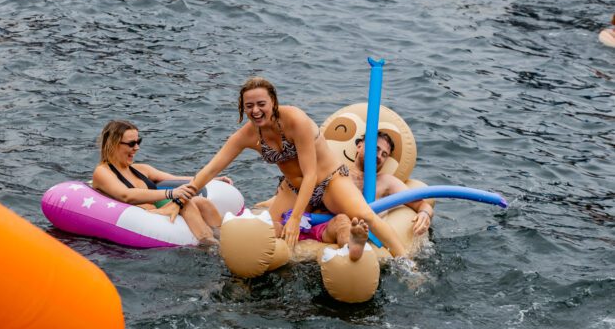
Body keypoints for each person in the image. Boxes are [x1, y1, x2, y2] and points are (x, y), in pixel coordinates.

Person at [171, 77, 408, 257]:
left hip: (329, 181)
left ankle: (407, 263)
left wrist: (295, 219)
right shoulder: (247, 135)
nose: (255, 110)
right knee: (265, 228)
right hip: (293, 188)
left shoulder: (296, 120)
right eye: (249, 105)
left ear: (273, 102)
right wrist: (182, 196)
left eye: (261, 104)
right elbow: (212, 169)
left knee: (366, 215)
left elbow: (311, 173)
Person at [269, 132, 433, 255]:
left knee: (343, 222)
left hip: (341, 227)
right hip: (311, 224)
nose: (379, 156)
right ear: (360, 146)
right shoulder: (336, 172)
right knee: (273, 227)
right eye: (375, 149)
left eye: (384, 155)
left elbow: (420, 202)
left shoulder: (385, 182)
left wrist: (425, 212)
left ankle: (352, 251)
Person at [92, 120, 232, 245]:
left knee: (203, 202)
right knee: (185, 203)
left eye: (138, 142)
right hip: (141, 219)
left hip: (158, 212)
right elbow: (126, 195)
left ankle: (227, 239)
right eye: (131, 144)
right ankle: (211, 245)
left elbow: (175, 179)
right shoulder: (103, 172)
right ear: (113, 144)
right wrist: (171, 194)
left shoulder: (140, 169)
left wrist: (213, 180)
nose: (137, 148)